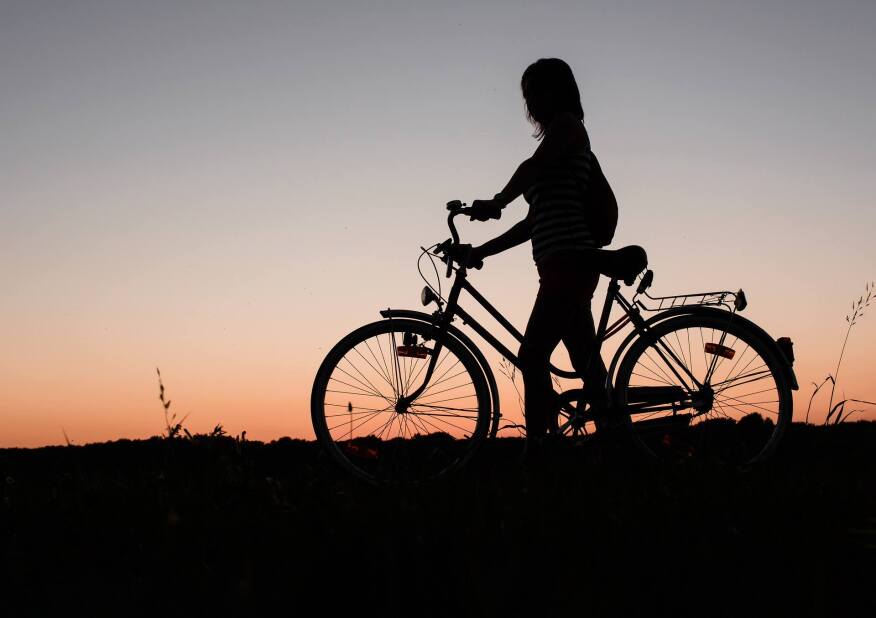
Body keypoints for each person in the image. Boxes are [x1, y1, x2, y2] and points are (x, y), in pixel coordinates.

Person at [458, 58, 612, 453]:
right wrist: (482, 251)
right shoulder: (557, 143)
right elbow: (532, 223)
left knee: (532, 355)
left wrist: (497, 201)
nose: (531, 102)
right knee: (585, 362)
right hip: (561, 265)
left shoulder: (567, 129)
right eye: (527, 95)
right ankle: (618, 443)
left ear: (558, 91)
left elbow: (532, 167)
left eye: (536, 91)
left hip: (571, 262)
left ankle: (539, 449)